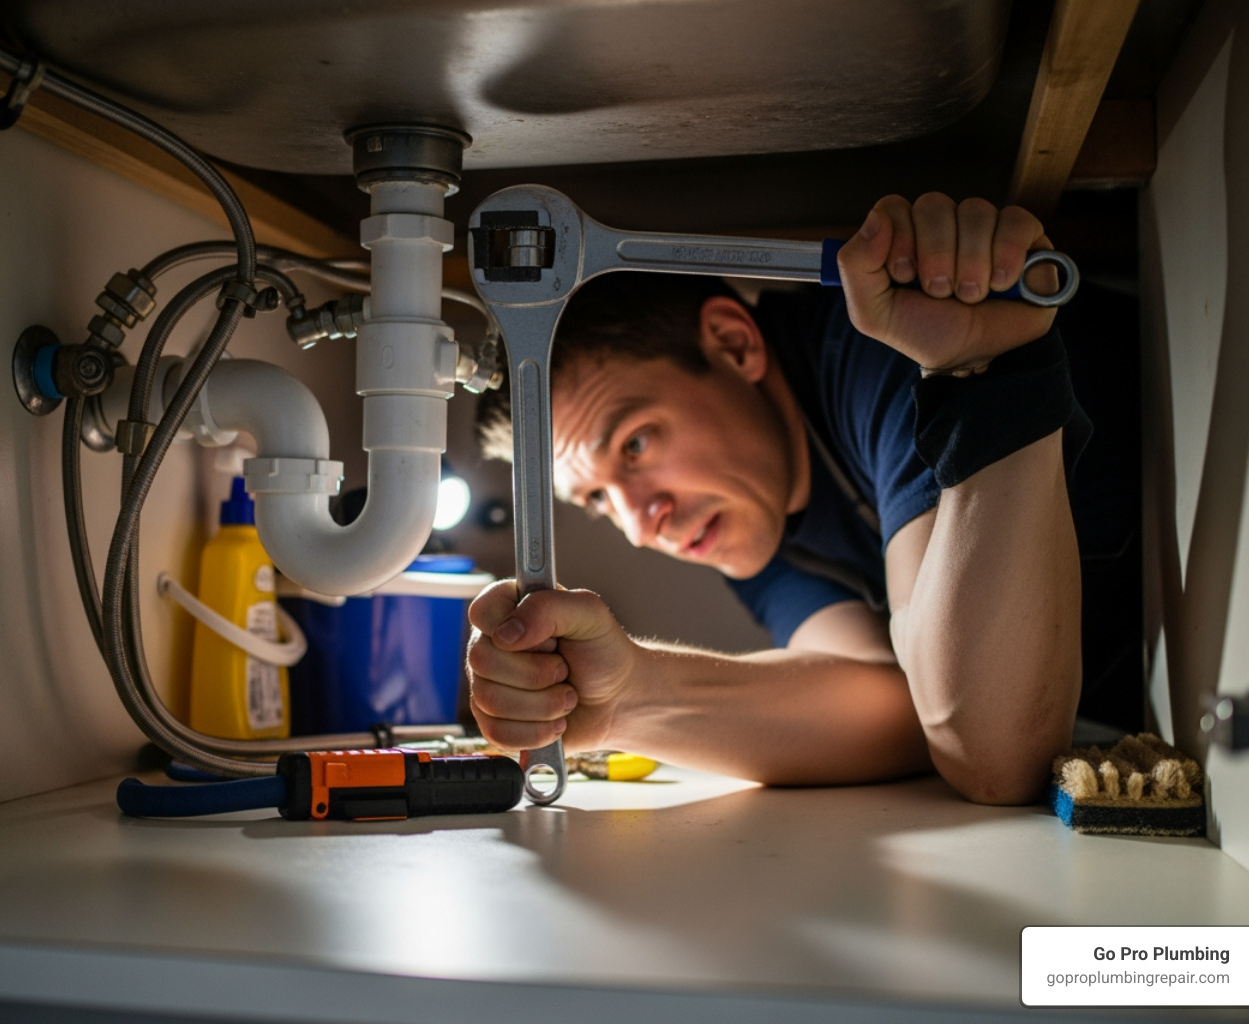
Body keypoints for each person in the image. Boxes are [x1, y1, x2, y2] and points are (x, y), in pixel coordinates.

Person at [466, 193, 1140, 805]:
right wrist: (620, 702)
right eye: (599, 501)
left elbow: (992, 748)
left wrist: (986, 373)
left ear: (734, 344)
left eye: (637, 446)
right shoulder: (746, 515)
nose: (643, 524)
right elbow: (892, 704)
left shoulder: (885, 348)